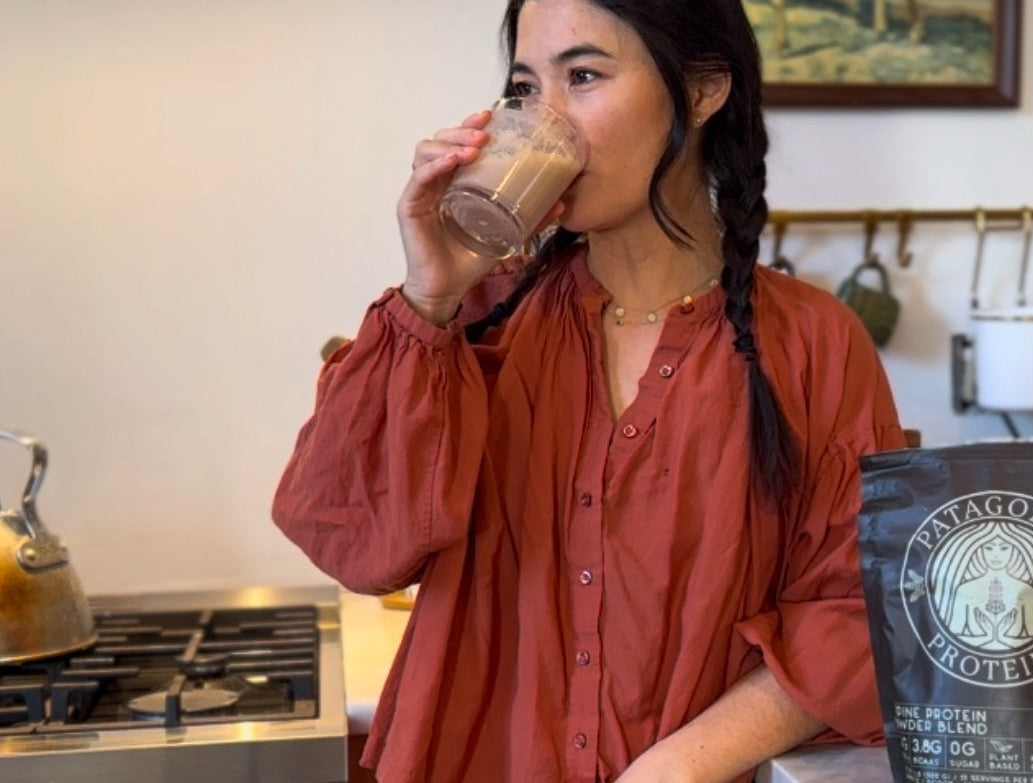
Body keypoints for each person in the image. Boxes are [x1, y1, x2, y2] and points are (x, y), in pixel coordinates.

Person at [272, 1, 906, 781]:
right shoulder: (471, 323)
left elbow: (850, 614)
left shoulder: (813, 344)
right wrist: (428, 298)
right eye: (525, 90)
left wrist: (669, 769)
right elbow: (357, 548)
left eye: (583, 76)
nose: (548, 123)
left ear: (703, 92)